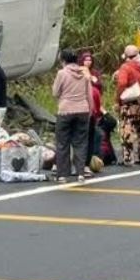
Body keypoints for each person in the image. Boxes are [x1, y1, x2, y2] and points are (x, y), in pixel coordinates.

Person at [52, 48, 93, 182]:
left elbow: (55, 92)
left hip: (65, 110)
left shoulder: (62, 73)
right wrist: (90, 110)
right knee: (80, 142)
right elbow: (89, 94)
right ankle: (81, 173)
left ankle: (62, 174)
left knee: (62, 142)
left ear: (63, 60)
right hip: (83, 110)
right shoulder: (84, 74)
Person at [115, 45, 140, 166]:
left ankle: (128, 158)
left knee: (127, 128)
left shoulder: (125, 67)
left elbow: (122, 83)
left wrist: (118, 99)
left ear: (125, 56)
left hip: (130, 102)